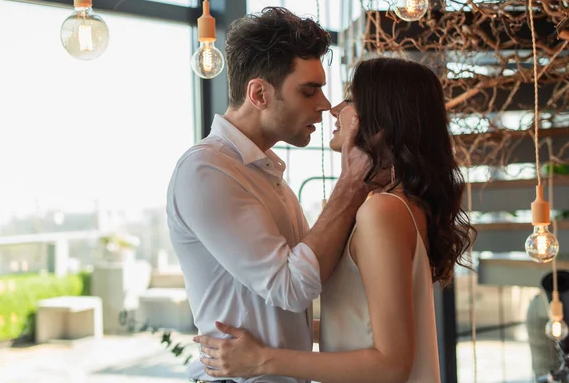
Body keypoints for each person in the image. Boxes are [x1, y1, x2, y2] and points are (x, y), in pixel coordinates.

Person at [192, 57, 476, 383]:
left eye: (351, 99)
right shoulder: (398, 207)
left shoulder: (382, 211)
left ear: (382, 121)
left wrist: (262, 360)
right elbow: (356, 325)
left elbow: (391, 364)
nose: (334, 108)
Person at [166, 7, 373, 383]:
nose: (325, 105)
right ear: (259, 93)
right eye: (309, 90)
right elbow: (293, 289)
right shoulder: (207, 170)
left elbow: (311, 282)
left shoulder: (265, 173)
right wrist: (350, 184)